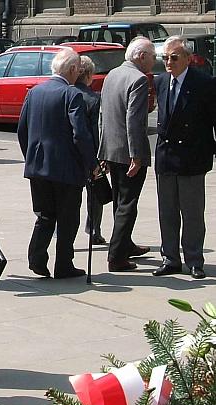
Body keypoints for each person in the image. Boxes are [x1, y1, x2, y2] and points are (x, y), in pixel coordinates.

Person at [19, 49, 97, 279]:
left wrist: (30, 157)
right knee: (68, 218)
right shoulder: (71, 94)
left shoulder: (34, 92)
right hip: (66, 168)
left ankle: (37, 258)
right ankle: (63, 264)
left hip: (38, 167)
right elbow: (80, 134)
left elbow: (23, 130)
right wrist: (91, 163)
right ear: (73, 69)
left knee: (44, 215)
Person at [152, 36, 216, 280]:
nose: (168, 62)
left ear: (188, 59)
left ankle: (194, 260)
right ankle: (170, 258)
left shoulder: (204, 83)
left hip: (192, 158)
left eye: (174, 58)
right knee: (167, 213)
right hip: (166, 158)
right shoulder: (160, 81)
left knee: (192, 214)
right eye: (165, 58)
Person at [98, 37, 155, 272]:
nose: (155, 60)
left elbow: (103, 115)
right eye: (153, 56)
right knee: (128, 204)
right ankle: (117, 256)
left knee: (120, 202)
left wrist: (102, 151)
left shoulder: (112, 74)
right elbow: (134, 121)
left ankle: (125, 244)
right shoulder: (139, 79)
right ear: (141, 56)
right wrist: (136, 155)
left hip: (112, 149)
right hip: (128, 153)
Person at [74, 56, 105, 245]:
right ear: (88, 75)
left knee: (68, 197)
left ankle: (61, 231)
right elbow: (96, 131)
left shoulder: (66, 93)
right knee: (94, 195)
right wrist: (99, 157)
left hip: (69, 155)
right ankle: (94, 229)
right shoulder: (94, 99)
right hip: (89, 154)